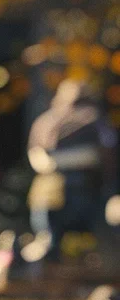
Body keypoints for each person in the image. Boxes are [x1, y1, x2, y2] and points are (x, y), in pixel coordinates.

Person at [26, 79, 116, 260]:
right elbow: (38, 155)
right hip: (63, 191)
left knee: (97, 243)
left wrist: (57, 162)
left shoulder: (89, 120)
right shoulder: (52, 121)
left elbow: (102, 153)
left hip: (69, 192)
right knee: (53, 242)